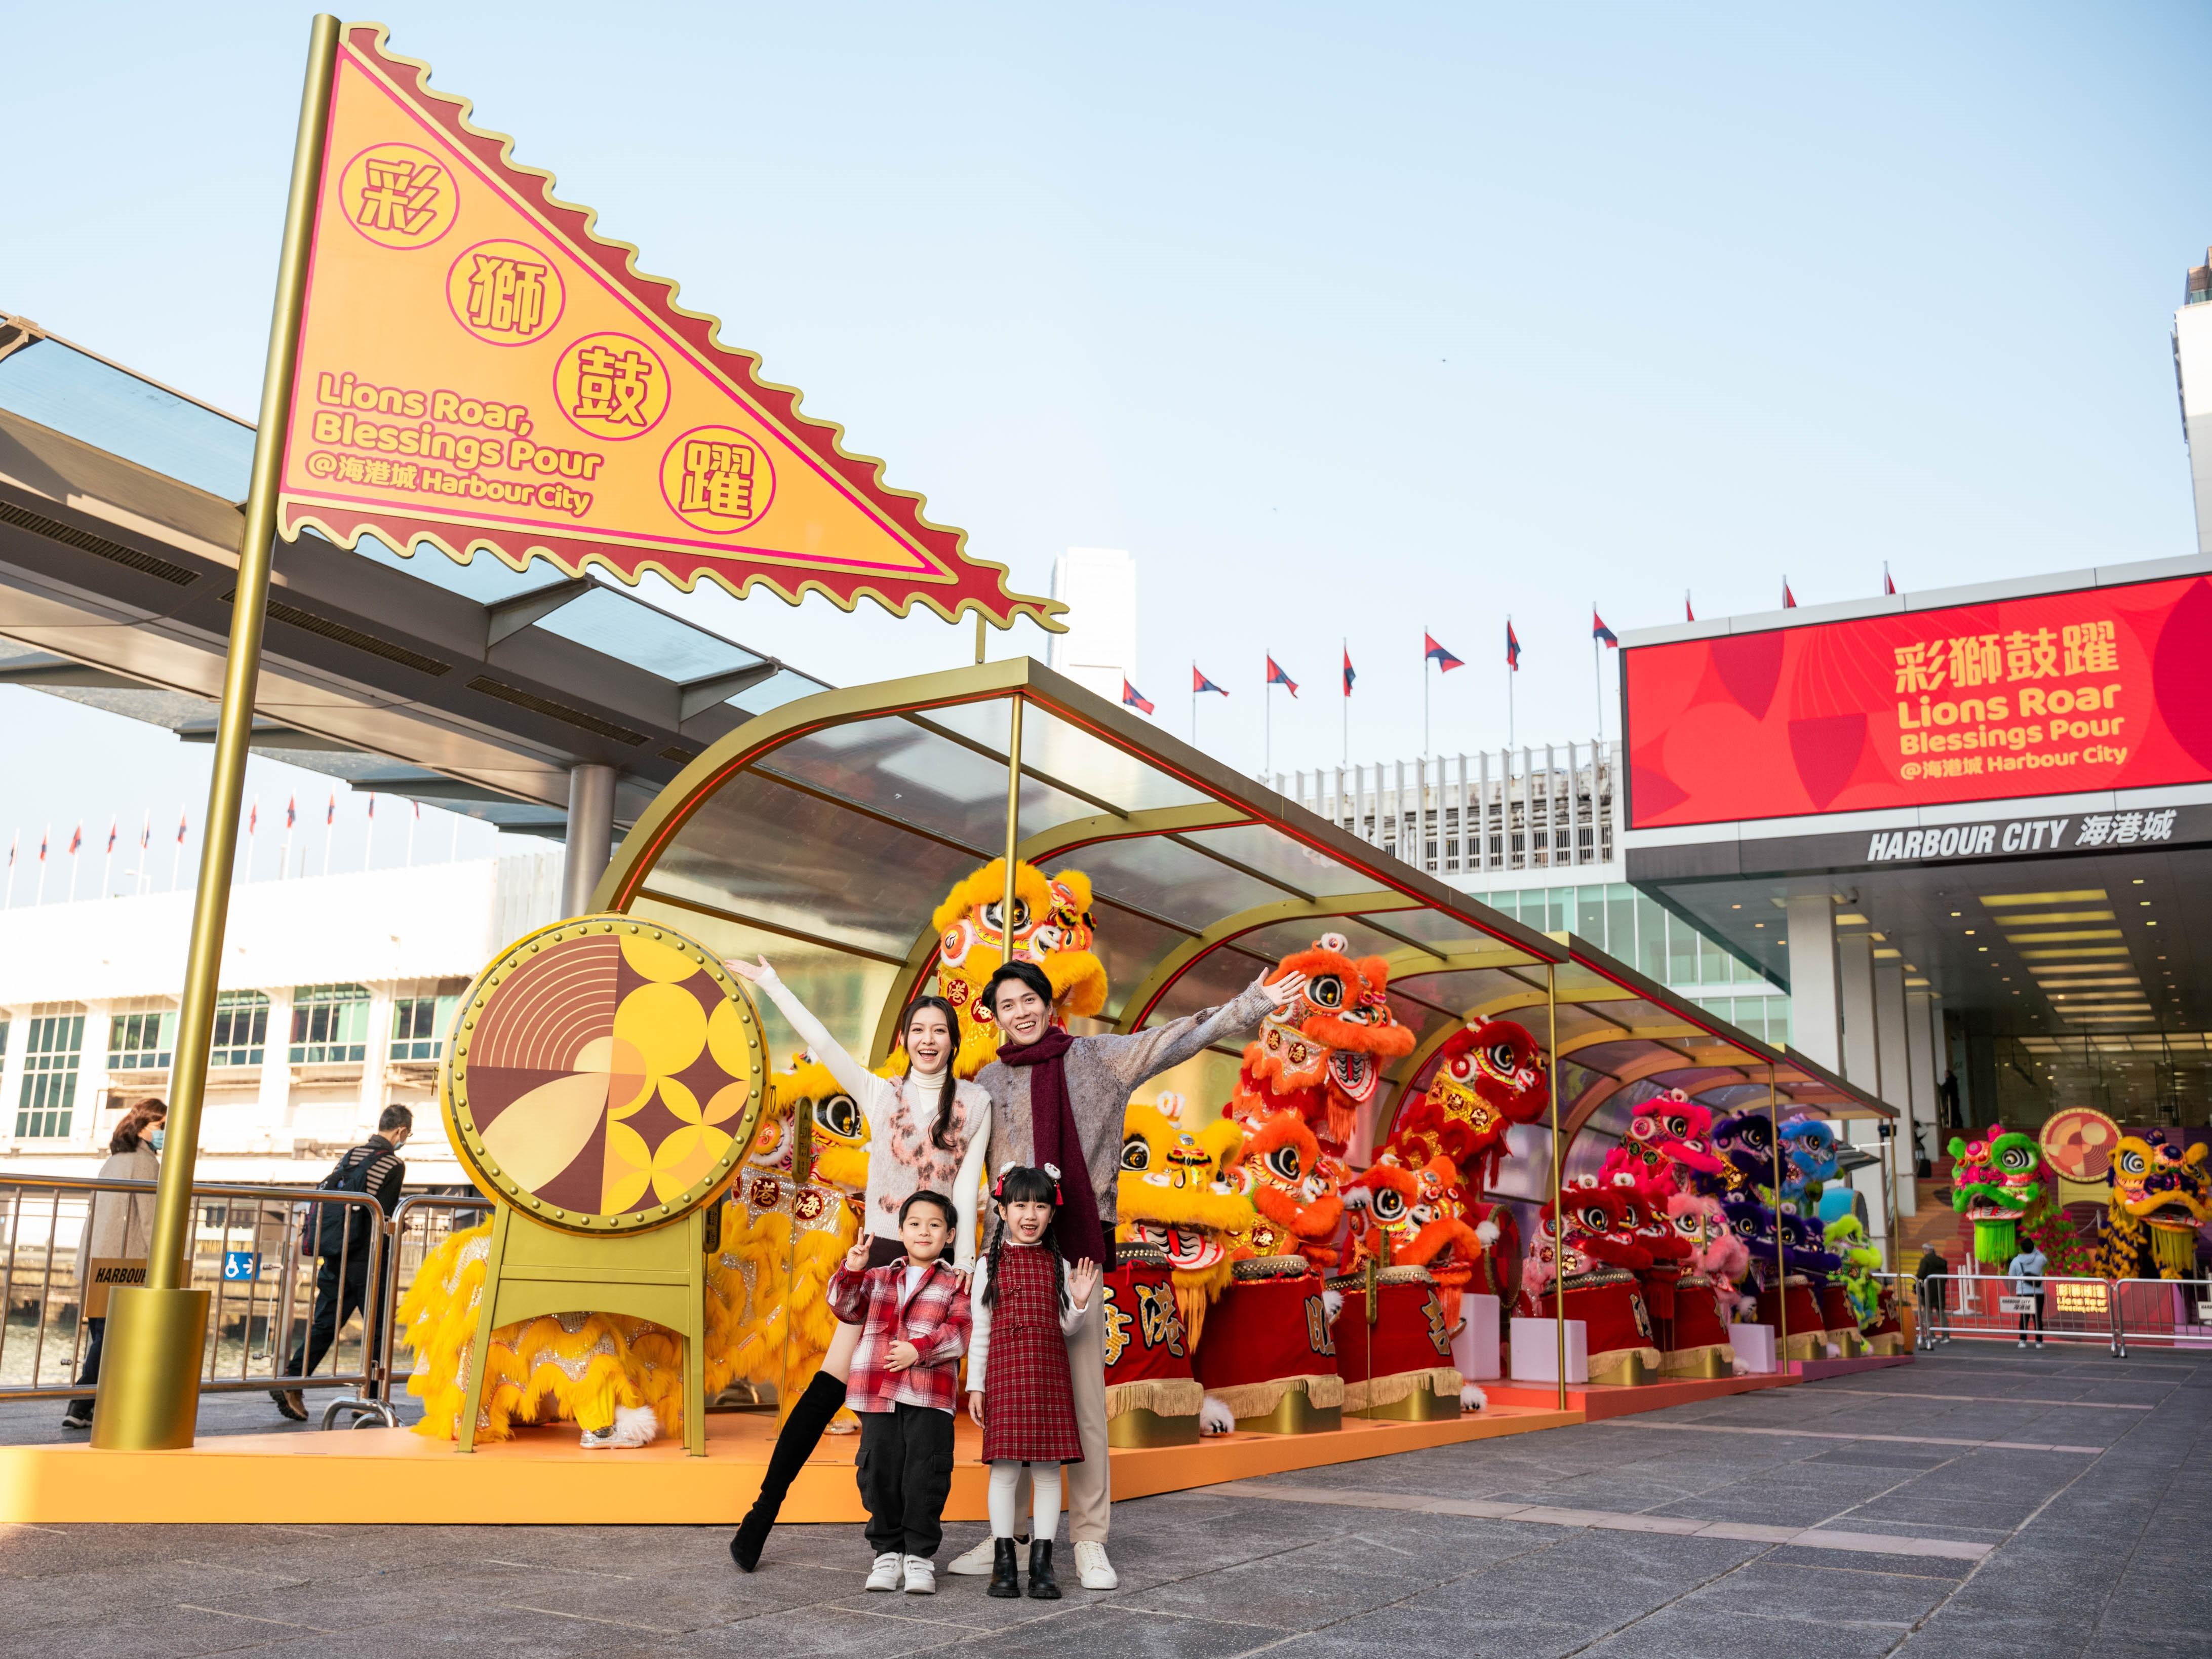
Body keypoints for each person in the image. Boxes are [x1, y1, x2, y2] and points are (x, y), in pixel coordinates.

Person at [946, 958, 1305, 1591]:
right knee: (1013, 1401)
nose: (1020, 1013)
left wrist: (1253, 1003)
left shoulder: (1099, 1058)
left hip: (1076, 1257)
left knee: (1084, 1406)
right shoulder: (991, 1081)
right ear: (995, 1016)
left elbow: (1175, 1039)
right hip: (1011, 1259)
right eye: (1007, 1005)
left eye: (1029, 1000)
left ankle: (1088, 1538)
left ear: (1048, 1004)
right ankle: (1013, 1538)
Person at [727, 961, 993, 1572]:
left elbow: (965, 1187)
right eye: (918, 1030)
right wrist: (773, 985)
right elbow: (824, 1045)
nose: (928, 1040)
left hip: (941, 1261)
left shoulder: (975, 1102)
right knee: (831, 1379)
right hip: (881, 1255)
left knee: (922, 1397)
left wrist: (966, 1262)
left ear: (953, 1041)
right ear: (906, 1039)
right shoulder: (880, 1093)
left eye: (939, 1030)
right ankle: (762, 1512)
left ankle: (908, 1542)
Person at [825, 1190, 971, 1596]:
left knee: (926, 1473)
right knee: (878, 1471)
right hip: (876, 1392)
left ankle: (920, 1557)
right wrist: (853, 1270)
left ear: (950, 1234)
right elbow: (845, 1308)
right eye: (915, 1224)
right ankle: (887, 1552)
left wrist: (918, 1350)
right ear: (902, 1231)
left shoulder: (956, 1283)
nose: (924, 1231)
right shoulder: (876, 1278)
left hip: (930, 1395)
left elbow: (960, 1332)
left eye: (935, 1225)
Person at [966, 1164, 1098, 1600]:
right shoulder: (988, 1265)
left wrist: (1079, 1303)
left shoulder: (1059, 1264)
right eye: (1020, 1205)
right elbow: (981, 1330)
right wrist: (976, 1386)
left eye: (1040, 1206)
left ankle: (1043, 1565)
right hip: (1006, 1376)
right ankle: (1005, 1565)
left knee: (1047, 1472)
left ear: (1051, 1214)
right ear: (1002, 1210)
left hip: (1048, 1377)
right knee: (1004, 1470)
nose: (1030, 1214)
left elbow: (1067, 1327)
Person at [270, 1104, 410, 1421]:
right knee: (378, 1326)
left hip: (337, 1252)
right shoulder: (393, 1164)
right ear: (401, 1131)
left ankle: (292, 1381)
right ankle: (370, 1400)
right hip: (366, 1258)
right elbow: (382, 1213)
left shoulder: (351, 1156)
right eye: (407, 1135)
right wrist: (399, 1225)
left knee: (326, 1322)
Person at [63, 1099, 166, 1431]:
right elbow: (150, 1219)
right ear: (145, 1127)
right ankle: (81, 1403)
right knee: (112, 1336)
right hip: (127, 1261)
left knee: (102, 1334)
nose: (165, 1133)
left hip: (99, 1260)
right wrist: (162, 1261)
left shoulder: (115, 1159)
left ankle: (91, 1406)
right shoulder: (146, 1163)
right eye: (162, 1126)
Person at [2007, 1235, 2047, 1350]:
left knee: (2024, 1317)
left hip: (2023, 1291)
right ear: (2033, 1247)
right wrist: (2035, 1249)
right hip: (2038, 1292)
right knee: (2037, 1317)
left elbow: (2011, 1275)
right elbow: (2045, 1259)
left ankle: (2022, 1341)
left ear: (2021, 1248)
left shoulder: (2016, 1261)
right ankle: (2039, 1342)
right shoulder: (2039, 1259)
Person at [1914, 1243, 1949, 1348]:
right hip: (1940, 1289)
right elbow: (1946, 1277)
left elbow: (1921, 1274)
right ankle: (1946, 1336)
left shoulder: (1925, 1260)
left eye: (1924, 1250)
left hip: (1928, 1289)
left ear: (1927, 1250)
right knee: (1941, 1312)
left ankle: (1931, 1336)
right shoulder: (1942, 1262)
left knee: (1928, 1312)